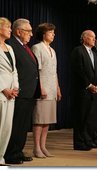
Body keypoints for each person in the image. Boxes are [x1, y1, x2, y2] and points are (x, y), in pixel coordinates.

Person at [4, 18, 41, 164]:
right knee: (16, 125)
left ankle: (18, 151)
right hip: (19, 92)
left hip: (30, 93)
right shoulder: (10, 45)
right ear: (19, 32)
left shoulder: (25, 47)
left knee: (24, 126)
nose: (31, 34)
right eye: (29, 31)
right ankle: (10, 154)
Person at [31, 23, 62, 158]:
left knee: (47, 120)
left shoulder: (53, 50)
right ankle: (36, 147)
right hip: (42, 89)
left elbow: (54, 72)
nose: (53, 34)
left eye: (53, 32)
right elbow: (36, 70)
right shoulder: (37, 48)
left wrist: (58, 88)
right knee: (39, 119)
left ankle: (43, 146)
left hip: (52, 89)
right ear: (43, 34)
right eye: (50, 32)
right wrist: (40, 87)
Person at [70, 30, 97, 151]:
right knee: (81, 117)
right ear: (84, 38)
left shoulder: (94, 53)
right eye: (91, 37)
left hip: (94, 91)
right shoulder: (78, 51)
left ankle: (88, 140)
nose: (94, 40)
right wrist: (89, 85)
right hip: (83, 90)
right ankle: (79, 143)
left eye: (95, 37)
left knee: (91, 118)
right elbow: (78, 70)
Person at [0, 17, 19, 166]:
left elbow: (14, 71)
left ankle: (1, 158)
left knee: (7, 127)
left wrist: (15, 87)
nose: (10, 30)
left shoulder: (10, 48)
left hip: (11, 93)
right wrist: (3, 88)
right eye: (8, 27)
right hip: (1, 91)